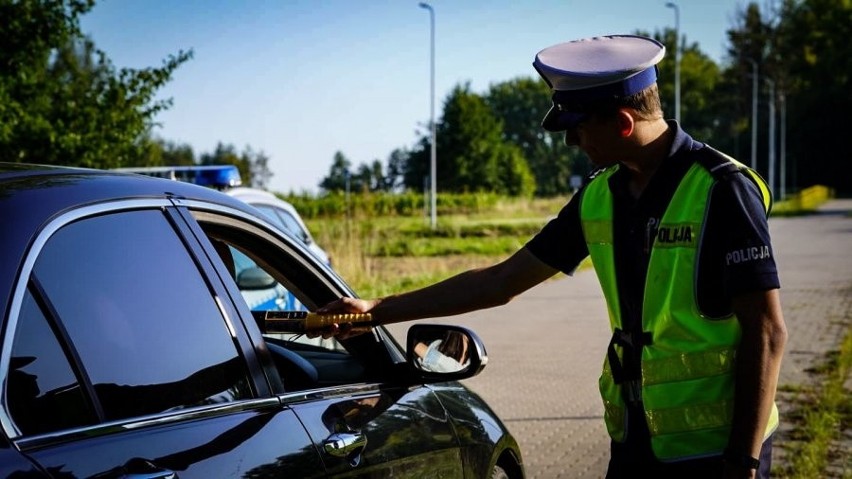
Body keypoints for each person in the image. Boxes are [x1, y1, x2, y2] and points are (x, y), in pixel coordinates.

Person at [318, 34, 787, 479]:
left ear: (624, 123)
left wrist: (743, 460)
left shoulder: (723, 188)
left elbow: (767, 332)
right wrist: (378, 309)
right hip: (636, 440)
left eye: (577, 129)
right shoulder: (601, 194)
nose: (570, 142)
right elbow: (499, 282)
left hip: (717, 450)